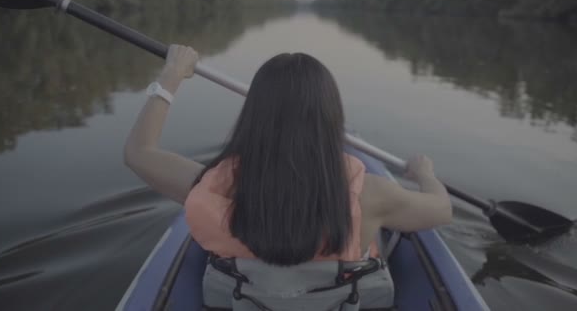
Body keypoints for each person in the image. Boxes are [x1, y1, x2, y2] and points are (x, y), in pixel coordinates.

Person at [124, 44, 452, 267]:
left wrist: (172, 75)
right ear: (330, 118)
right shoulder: (372, 194)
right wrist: (424, 173)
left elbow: (139, 153)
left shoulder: (212, 187)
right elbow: (442, 210)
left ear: (254, 115)